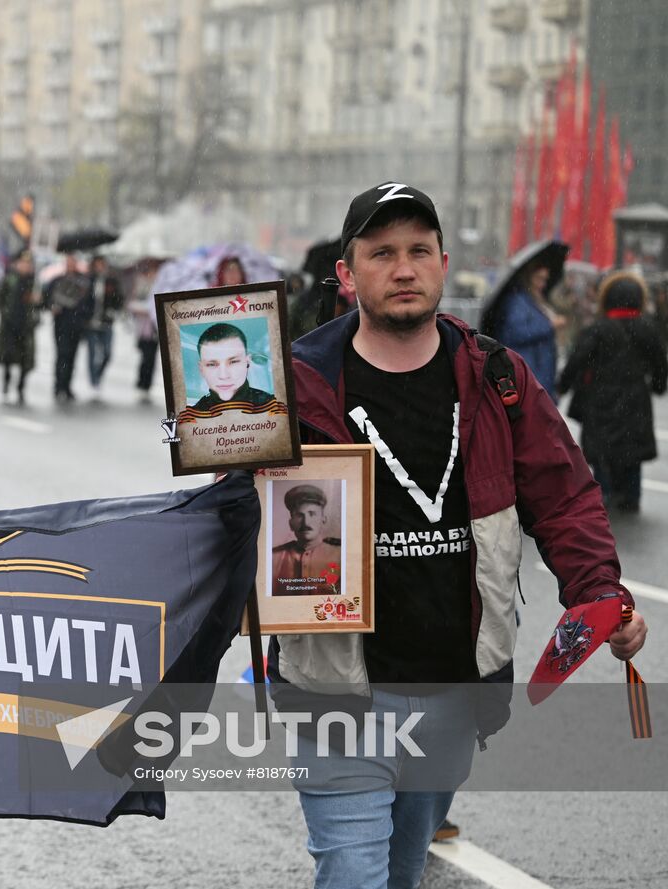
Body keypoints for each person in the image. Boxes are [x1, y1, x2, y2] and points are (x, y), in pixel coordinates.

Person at [271, 181, 646, 889]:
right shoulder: (295, 384)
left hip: (454, 690)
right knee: (353, 873)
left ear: (443, 262)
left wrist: (601, 593)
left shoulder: (496, 377)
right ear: (348, 275)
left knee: (403, 869)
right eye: (381, 252)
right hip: (335, 692)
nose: (403, 267)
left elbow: (564, 497)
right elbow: (232, 512)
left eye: (418, 250)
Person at [558, 271, 668, 513]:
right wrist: (658, 386)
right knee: (632, 452)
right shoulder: (646, 328)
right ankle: (631, 496)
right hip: (636, 399)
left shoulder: (597, 329)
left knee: (601, 452)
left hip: (600, 398)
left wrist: (563, 385)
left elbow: (577, 360)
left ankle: (604, 494)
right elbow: (660, 363)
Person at [494, 263, 563, 396]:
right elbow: (516, 332)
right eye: (539, 278)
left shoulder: (534, 299)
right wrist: (549, 326)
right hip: (528, 371)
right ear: (529, 277)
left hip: (537, 371)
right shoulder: (518, 301)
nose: (542, 284)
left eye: (545, 279)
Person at [270, 484, 342, 596]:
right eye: (299, 515)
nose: (306, 523)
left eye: (312, 514)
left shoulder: (340, 555)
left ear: (323, 520)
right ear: (291, 523)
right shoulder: (273, 557)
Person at [189, 323, 276, 411]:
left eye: (233, 362)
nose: (224, 376)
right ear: (201, 369)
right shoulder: (192, 417)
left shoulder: (273, 407)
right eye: (211, 364)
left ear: (247, 362)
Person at [0, 252, 38, 406]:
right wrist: (2, 312)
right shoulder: (10, 279)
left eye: (28, 264)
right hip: (10, 323)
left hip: (26, 325)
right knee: (7, 355)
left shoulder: (35, 282)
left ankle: (21, 387)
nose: (25, 267)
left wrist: (38, 301)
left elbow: (42, 302)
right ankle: (6, 380)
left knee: (26, 359)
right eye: (23, 264)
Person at [46, 255, 91, 402]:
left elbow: (88, 303)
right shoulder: (57, 280)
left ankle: (67, 386)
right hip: (61, 324)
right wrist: (52, 307)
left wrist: (84, 318)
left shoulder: (83, 282)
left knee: (72, 356)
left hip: (76, 325)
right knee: (62, 355)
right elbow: (47, 298)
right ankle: (58, 386)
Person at [83, 255, 124, 401]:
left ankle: (99, 375)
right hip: (91, 324)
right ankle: (94, 382)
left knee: (107, 353)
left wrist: (113, 310)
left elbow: (119, 299)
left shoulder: (111, 281)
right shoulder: (88, 281)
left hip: (106, 323)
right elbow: (83, 300)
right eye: (97, 264)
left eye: (102, 264)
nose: (100, 267)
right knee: (93, 353)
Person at [127, 260, 161, 403]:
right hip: (143, 328)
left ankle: (146, 383)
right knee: (145, 356)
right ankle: (142, 382)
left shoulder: (161, 286)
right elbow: (132, 304)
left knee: (151, 357)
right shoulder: (141, 285)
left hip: (154, 329)